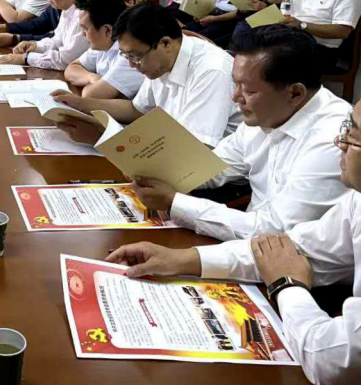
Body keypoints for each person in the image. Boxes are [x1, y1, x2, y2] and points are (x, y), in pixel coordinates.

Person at [107, 97, 361, 384]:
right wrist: (181, 259)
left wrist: (286, 284)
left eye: (352, 136)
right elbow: (288, 249)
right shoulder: (357, 201)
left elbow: (332, 361)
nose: (339, 142)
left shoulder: (322, 138)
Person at [133, 25, 351, 241]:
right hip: (247, 240)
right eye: (235, 84)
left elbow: (277, 232)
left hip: (282, 252)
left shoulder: (333, 141)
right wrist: (153, 171)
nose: (236, 97)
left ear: (295, 93)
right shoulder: (265, 114)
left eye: (248, 90)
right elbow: (211, 167)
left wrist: (174, 202)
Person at [53, 3, 242, 147]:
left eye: (135, 56)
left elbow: (192, 150)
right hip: (172, 150)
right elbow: (136, 110)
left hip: (207, 171)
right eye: (126, 56)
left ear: (165, 43)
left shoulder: (211, 71)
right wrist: (80, 104)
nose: (131, 65)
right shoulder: (161, 60)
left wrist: (103, 137)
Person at [64, 0, 144, 99]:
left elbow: (91, 95)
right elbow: (71, 69)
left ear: (107, 30)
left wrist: (92, 84)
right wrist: (91, 78)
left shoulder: (130, 53)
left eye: (85, 28)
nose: (82, 34)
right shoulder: (102, 44)